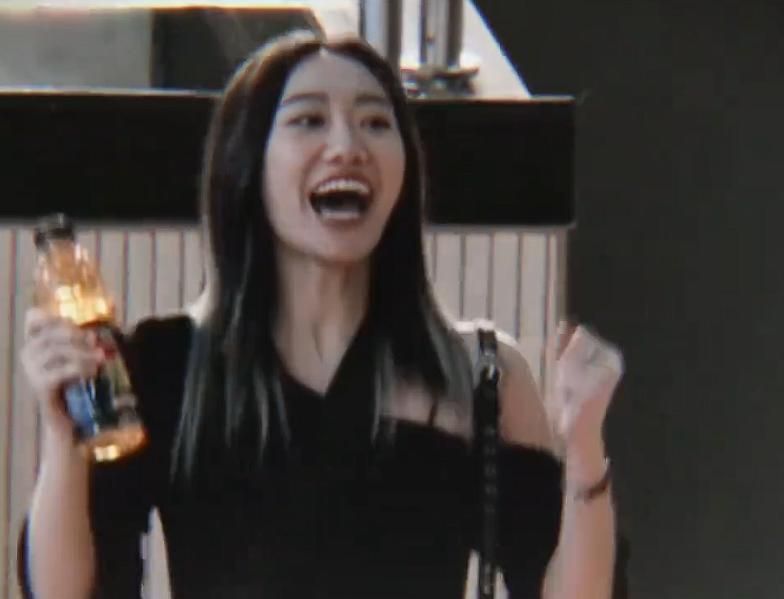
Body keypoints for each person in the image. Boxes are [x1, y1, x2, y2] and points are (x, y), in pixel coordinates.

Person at [18, 31, 625, 599]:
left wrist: (584, 451)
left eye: (375, 123)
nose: (347, 148)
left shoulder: (481, 376)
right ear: (248, 165)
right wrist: (62, 436)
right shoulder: (167, 366)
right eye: (308, 120)